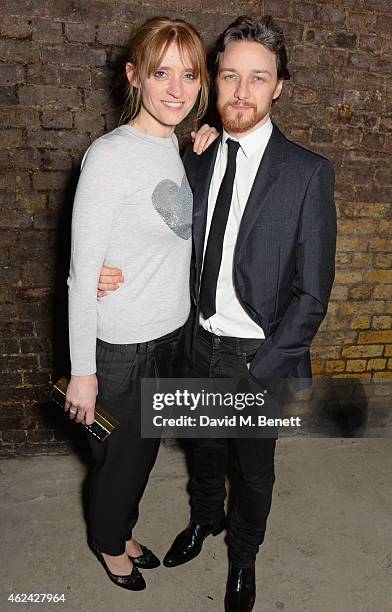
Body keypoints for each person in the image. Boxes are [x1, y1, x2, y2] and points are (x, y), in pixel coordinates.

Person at [97, 15, 337, 612]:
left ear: (279, 84)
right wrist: (109, 267)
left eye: (257, 78)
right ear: (216, 81)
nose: (241, 91)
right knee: (202, 450)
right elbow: (160, 234)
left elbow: (313, 294)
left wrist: (267, 369)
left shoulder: (308, 173)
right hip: (196, 344)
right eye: (229, 76)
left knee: (253, 472)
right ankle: (204, 522)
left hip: (258, 355)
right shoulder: (194, 156)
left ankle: (243, 561)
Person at [64, 16, 210, 592]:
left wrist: (210, 139)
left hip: (171, 334)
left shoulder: (183, 150)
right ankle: (108, 542)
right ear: (135, 77)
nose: (176, 89)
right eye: (161, 73)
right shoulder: (108, 156)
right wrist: (83, 373)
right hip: (121, 343)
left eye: (190, 74)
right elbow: (81, 272)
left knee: (142, 454)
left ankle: (120, 527)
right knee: (117, 460)